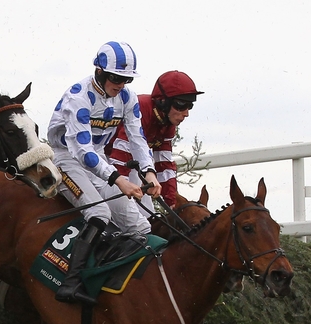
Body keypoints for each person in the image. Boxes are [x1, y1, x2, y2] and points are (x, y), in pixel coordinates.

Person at [46, 41, 161, 305]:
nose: (120, 83)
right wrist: (118, 179)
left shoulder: (127, 98)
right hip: (66, 159)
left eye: (126, 78)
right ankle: (70, 283)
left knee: (141, 227)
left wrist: (149, 172)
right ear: (99, 71)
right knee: (99, 213)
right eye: (115, 77)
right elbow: (82, 150)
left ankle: (110, 282)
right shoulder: (78, 97)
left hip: (99, 162)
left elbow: (137, 138)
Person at [105, 70, 203, 213]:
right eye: (181, 105)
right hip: (105, 160)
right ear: (163, 102)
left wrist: (172, 203)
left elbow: (165, 165)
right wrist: (121, 191)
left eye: (190, 106)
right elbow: (121, 155)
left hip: (128, 164)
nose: (186, 113)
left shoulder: (167, 123)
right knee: (130, 212)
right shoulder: (141, 109)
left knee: (148, 214)